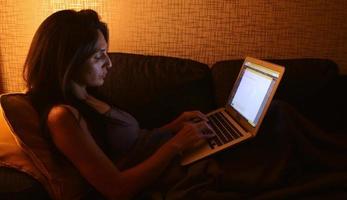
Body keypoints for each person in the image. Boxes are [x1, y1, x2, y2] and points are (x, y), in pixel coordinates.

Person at [23, 9, 213, 200]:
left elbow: (131, 147)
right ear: (67, 61)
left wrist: (173, 127)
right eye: (98, 56)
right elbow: (116, 188)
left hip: (166, 158)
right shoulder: (62, 117)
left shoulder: (88, 95)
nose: (109, 63)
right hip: (155, 179)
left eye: (106, 53)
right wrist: (176, 144)